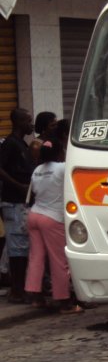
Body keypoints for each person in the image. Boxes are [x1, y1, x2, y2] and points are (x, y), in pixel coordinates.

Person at [24, 138, 83, 314]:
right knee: (59, 260)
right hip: (52, 218)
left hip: (34, 215)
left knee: (36, 257)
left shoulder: (37, 170)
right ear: (59, 153)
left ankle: (35, 297)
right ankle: (64, 301)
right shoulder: (62, 168)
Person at [0, 108, 35, 303]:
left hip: (22, 202)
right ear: (19, 122)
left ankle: (21, 288)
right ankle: (16, 290)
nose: (31, 125)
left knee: (22, 247)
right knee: (16, 249)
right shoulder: (10, 144)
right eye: (28, 121)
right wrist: (18, 185)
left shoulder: (22, 144)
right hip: (13, 202)